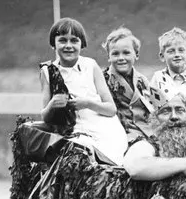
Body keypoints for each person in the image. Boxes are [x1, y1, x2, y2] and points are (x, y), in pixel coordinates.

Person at [40, 17, 128, 165]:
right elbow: (46, 117)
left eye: (74, 40)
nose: (69, 46)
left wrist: (87, 103)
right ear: (53, 44)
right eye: (62, 40)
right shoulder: (47, 71)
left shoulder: (90, 65)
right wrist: (53, 104)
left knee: (105, 159)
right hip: (73, 130)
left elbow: (111, 109)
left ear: (82, 44)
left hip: (104, 128)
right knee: (77, 155)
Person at [123, 93, 186, 181]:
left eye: (180, 110)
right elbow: (136, 168)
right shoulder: (147, 145)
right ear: (154, 118)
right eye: (165, 111)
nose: (174, 116)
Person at [102, 27, 155, 142]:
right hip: (121, 133)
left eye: (126, 53)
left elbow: (154, 108)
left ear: (136, 55)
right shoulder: (103, 80)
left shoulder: (143, 80)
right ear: (108, 57)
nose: (121, 58)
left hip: (146, 131)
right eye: (115, 54)